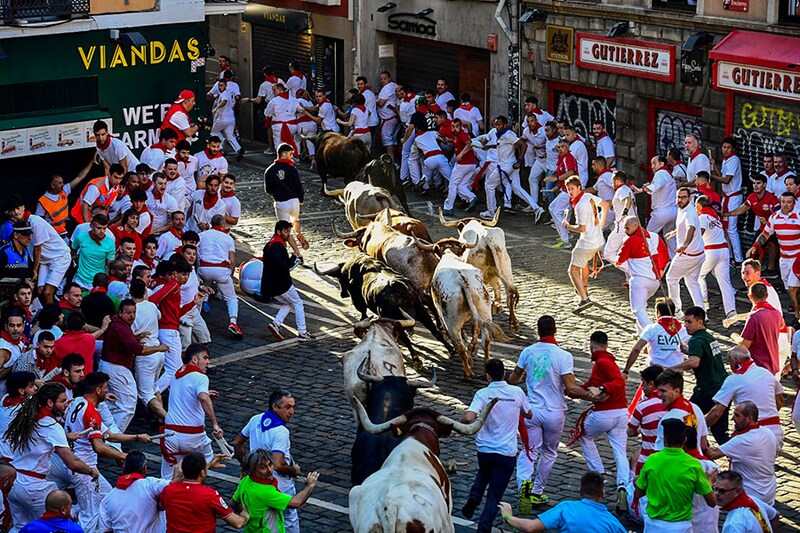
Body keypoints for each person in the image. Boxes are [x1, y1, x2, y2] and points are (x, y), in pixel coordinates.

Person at [2, 383, 99, 530]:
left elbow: (38, 439)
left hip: (14, 483)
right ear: (49, 402)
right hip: (34, 487)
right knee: (52, 526)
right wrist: (91, 471)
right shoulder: (51, 426)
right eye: (62, 401)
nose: (66, 404)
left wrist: (64, 437)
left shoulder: (27, 415)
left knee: (20, 527)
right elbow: (71, 462)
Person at [64, 371, 152, 532]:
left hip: (78, 466)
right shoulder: (91, 413)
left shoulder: (77, 402)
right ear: (98, 390)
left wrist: (137, 437)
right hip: (85, 470)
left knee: (108, 497)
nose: (107, 391)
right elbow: (99, 446)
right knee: (89, 514)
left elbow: (109, 436)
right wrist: (124, 456)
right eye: (106, 387)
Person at [460, 359, 531, 532]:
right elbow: (529, 414)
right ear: (504, 374)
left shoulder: (483, 394)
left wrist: (462, 420)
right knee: (494, 495)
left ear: (487, 376)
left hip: (484, 450)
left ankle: (475, 496)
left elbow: (469, 418)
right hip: (506, 452)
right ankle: (484, 528)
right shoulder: (516, 392)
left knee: (483, 472)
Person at [570, 331, 628, 512]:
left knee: (585, 436)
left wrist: (602, 388)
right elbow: (592, 383)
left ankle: (598, 473)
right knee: (620, 451)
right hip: (621, 413)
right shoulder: (607, 361)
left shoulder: (602, 362)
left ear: (591, 346)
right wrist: (575, 389)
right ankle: (622, 487)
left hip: (604, 414)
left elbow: (618, 382)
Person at [232, 389, 302, 532]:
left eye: (293, 407)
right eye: (287, 407)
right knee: (288, 520)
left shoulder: (255, 419)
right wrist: (293, 471)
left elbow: (237, 443)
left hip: (255, 480)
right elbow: (277, 464)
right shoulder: (281, 431)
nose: (292, 412)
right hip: (279, 484)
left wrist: (247, 466)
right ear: (274, 407)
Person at [633, 419, 716, 532]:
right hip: (681, 527)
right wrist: (709, 482)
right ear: (685, 440)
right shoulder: (693, 465)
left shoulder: (652, 460)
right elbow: (712, 502)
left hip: (653, 525)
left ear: (665, 439)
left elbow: (638, 493)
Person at [100, 300, 168, 432]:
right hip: (116, 368)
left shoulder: (119, 324)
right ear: (120, 313)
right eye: (128, 313)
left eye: (134, 313)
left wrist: (133, 338)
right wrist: (159, 347)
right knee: (128, 404)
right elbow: (138, 350)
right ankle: (114, 436)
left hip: (114, 366)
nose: (132, 316)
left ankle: (107, 431)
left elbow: (127, 342)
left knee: (115, 401)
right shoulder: (120, 327)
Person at [160, 344, 223, 479]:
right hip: (192, 436)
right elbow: (203, 398)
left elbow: (185, 393)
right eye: (205, 358)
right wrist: (215, 424)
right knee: (206, 460)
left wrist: (203, 393)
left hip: (170, 434)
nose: (208, 362)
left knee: (167, 477)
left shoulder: (176, 376)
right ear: (194, 360)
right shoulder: (201, 377)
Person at [497, 472, 626, 533]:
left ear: (580, 491)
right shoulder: (612, 523)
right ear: (602, 494)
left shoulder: (566, 508)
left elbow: (531, 527)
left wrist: (508, 516)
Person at [672, 306, 729, 444]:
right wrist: (688, 350)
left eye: (689, 322)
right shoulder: (708, 337)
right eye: (685, 321)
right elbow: (704, 356)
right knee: (719, 430)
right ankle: (734, 456)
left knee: (688, 418)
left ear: (700, 322)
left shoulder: (696, 340)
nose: (686, 325)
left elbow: (694, 362)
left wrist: (672, 369)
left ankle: (700, 448)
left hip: (707, 390)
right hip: (723, 388)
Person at [706, 346, 784, 447]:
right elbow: (779, 400)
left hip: (752, 435)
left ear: (734, 361)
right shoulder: (766, 373)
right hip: (775, 433)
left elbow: (717, 412)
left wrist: (701, 427)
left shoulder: (734, 379)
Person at [705, 402, 779, 505]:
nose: (732, 419)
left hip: (751, 494)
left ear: (749, 418)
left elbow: (712, 454)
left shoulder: (743, 440)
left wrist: (700, 433)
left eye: (737, 415)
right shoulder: (768, 432)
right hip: (768, 491)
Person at [232, 449, 319, 533]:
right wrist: (309, 485)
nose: (270, 470)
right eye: (263, 468)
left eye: (270, 465)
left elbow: (233, 504)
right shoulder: (265, 492)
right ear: (253, 471)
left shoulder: (245, 481)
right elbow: (296, 502)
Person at [161, 452, 250, 532]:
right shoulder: (210, 495)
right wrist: (245, 516)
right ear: (203, 472)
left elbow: (161, 505)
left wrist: (208, 465)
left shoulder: (168, 490)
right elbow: (237, 523)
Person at [747, 192, 800, 320]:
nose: (785, 205)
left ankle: (797, 314)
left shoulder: (799, 215)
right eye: (783, 202)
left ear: (794, 203)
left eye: (789, 202)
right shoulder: (774, 217)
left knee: (793, 287)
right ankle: (797, 307)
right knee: (788, 287)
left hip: (797, 258)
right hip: (784, 258)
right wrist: (754, 246)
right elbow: (765, 234)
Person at [615, 216, 669, 333]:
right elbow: (665, 256)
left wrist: (629, 268)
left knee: (638, 310)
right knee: (642, 307)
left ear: (635, 226)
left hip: (639, 280)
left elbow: (619, 261)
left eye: (627, 228)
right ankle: (640, 333)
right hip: (655, 281)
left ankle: (653, 333)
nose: (625, 231)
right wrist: (660, 270)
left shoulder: (629, 241)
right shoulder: (655, 237)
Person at [261, 221, 314, 342]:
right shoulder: (278, 247)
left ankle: (276, 324)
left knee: (289, 303)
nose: (288, 234)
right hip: (281, 284)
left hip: (270, 284)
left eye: (289, 231)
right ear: (279, 232)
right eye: (286, 231)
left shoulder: (270, 244)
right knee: (298, 303)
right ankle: (302, 332)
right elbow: (284, 267)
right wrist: (294, 258)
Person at [99, 451, 172, 533]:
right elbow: (176, 485)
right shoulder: (151, 485)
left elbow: (105, 531)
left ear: (123, 469)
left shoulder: (107, 499)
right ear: (145, 469)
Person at [563, 176, 605, 311]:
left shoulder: (580, 205)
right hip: (598, 240)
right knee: (583, 263)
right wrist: (600, 226)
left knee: (572, 270)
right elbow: (605, 204)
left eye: (572, 189)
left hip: (587, 242)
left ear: (579, 188)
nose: (570, 192)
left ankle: (584, 299)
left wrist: (567, 225)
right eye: (568, 189)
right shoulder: (588, 196)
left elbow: (581, 228)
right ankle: (584, 289)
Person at [198, 214, 242, 338]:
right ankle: (233, 322)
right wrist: (230, 276)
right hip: (221, 270)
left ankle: (196, 317)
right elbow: (232, 261)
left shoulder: (201, 236)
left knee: (201, 291)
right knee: (231, 298)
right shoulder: (228, 238)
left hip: (204, 269)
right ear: (223, 224)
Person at [694, 195, 738, 319]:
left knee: (698, 276)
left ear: (699, 206)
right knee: (725, 283)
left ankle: (704, 308)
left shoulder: (702, 217)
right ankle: (731, 313)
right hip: (724, 251)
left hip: (711, 251)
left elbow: (699, 235)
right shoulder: (715, 216)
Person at [264, 143, 308, 259]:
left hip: (281, 202)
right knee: (295, 220)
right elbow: (298, 186)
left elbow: (268, 190)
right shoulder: (292, 168)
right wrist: (301, 199)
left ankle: (298, 254)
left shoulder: (270, 170)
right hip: (294, 201)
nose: (292, 156)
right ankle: (299, 235)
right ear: (283, 154)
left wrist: (276, 194)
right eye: (290, 154)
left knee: (286, 231)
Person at [666, 188, 705, 317]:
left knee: (671, 278)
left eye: (683, 197)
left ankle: (676, 310)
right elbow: (684, 226)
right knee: (692, 282)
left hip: (689, 255)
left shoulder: (689, 212)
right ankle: (702, 313)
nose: (680, 200)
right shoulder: (681, 209)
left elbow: (691, 228)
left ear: (689, 198)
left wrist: (685, 244)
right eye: (678, 197)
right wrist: (674, 232)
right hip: (698, 255)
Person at [624, 298, 688, 375]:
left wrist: (626, 370)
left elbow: (637, 349)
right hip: (676, 373)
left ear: (658, 313)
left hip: (655, 373)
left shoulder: (652, 329)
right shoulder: (685, 330)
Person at [36, 159, 94, 239]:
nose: (62, 185)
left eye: (62, 182)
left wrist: (91, 163)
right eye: (59, 183)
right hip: (52, 235)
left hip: (64, 232)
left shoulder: (64, 191)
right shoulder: (43, 201)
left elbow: (80, 177)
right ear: (52, 185)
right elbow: (38, 222)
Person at [653, 369, 709, 451]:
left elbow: (660, 451)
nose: (658, 394)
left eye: (663, 391)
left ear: (676, 391)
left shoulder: (669, 420)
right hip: (696, 461)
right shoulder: (695, 408)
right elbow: (703, 444)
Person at [632, 156, 678, 254]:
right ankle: (675, 258)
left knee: (647, 235)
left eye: (654, 163)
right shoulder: (668, 174)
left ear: (662, 164)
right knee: (670, 237)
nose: (652, 166)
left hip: (661, 212)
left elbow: (656, 186)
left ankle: (644, 257)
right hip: (673, 211)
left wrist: (641, 190)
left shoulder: (660, 173)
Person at [736, 283, 784, 376]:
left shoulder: (754, 316)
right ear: (766, 295)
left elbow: (745, 345)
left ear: (750, 297)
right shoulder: (777, 314)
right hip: (773, 364)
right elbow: (781, 327)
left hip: (758, 365)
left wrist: (735, 337)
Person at [627, 365, 666, 474]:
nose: (642, 387)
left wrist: (640, 430)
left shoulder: (643, 406)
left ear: (651, 384)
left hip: (648, 459)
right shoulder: (677, 404)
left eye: (643, 383)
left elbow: (630, 432)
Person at [715, 471, 780, 533]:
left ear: (737, 491)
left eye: (722, 491)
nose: (716, 493)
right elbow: (775, 515)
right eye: (715, 489)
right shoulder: (753, 500)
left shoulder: (734, 524)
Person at [545, 140, 578, 248]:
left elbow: (571, 173)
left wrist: (556, 178)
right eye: (558, 147)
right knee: (554, 209)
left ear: (568, 148)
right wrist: (558, 186)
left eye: (562, 146)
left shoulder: (568, 158)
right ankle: (566, 234)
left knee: (556, 211)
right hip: (566, 189)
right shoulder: (563, 158)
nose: (560, 149)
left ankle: (565, 239)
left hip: (569, 190)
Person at [444, 118, 478, 215]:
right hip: (471, 164)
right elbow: (460, 142)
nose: (455, 129)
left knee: (453, 184)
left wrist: (461, 154)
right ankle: (471, 197)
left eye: (457, 126)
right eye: (453, 127)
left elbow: (469, 143)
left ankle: (448, 207)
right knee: (461, 185)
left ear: (461, 127)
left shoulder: (462, 134)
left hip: (463, 164)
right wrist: (449, 140)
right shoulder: (458, 136)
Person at [71, 214, 116, 290]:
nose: (102, 231)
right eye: (99, 228)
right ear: (91, 226)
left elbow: (109, 265)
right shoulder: (81, 237)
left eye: (104, 228)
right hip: (80, 280)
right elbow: (72, 251)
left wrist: (105, 282)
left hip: (97, 282)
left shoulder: (110, 243)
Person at [209, 79, 244, 160]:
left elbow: (224, 101)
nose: (220, 87)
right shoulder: (228, 93)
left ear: (226, 86)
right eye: (219, 86)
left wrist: (216, 109)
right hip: (231, 118)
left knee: (213, 132)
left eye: (222, 85)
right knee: (229, 135)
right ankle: (238, 149)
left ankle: (220, 148)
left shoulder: (224, 95)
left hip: (222, 119)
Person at [18, 490, 82, 533]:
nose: (71, 509)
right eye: (70, 506)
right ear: (63, 510)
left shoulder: (30, 528)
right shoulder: (76, 529)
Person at [265, 83, 300, 153]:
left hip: (279, 126)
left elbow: (267, 113)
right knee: (290, 142)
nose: (273, 92)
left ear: (279, 90)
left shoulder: (274, 101)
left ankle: (282, 160)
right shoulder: (294, 99)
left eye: (274, 90)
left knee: (279, 145)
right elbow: (300, 109)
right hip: (292, 126)